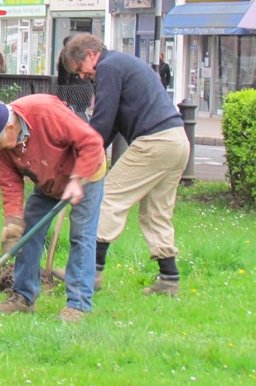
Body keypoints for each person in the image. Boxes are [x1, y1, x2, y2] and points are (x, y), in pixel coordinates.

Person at [59, 34, 189, 296]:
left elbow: (103, 120)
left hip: (155, 141)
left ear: (90, 56)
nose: (82, 77)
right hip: (177, 141)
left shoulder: (108, 67)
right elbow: (114, 123)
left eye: (80, 69)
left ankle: (90, 272)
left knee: (108, 199)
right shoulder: (120, 64)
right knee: (156, 212)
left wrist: (82, 155)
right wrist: (90, 153)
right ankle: (169, 279)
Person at [0, 95, 107, 322]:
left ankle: (78, 305)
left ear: (11, 127)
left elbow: (91, 142)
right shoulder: (0, 139)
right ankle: (23, 297)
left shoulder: (46, 113)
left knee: (81, 235)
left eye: (0, 143)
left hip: (85, 173)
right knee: (28, 231)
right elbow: (9, 180)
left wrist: (76, 178)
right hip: (47, 178)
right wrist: (13, 219)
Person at [56, 34, 92, 115]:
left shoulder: (67, 57)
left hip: (72, 96)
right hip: (86, 94)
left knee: (71, 118)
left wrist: (62, 99)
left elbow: (64, 80)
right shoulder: (84, 55)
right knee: (81, 117)